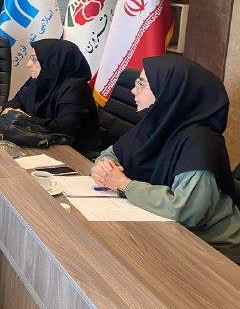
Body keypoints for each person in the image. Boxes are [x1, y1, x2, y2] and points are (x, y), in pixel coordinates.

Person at [92, 55, 240, 262]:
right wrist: (104, 166)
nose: (133, 90)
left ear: (169, 92)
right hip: (166, 232)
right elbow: (112, 153)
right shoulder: (156, 123)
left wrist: (124, 185)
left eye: (142, 84)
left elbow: (186, 209)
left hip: (213, 251)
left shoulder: (200, 143)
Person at [1, 39, 100, 154]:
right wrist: (14, 113)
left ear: (53, 61)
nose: (28, 64)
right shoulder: (40, 79)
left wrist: (23, 119)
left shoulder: (76, 89)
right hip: (42, 145)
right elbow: (13, 103)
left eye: (34, 59)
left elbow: (64, 129)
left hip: (75, 154)